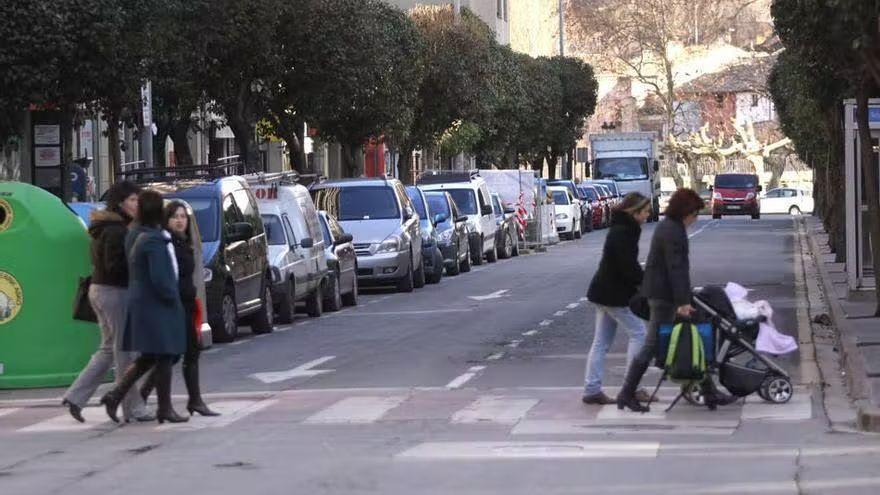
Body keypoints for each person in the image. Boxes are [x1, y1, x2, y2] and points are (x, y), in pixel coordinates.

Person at [616, 189, 733, 412]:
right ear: (685, 211)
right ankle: (626, 393)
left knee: (692, 337)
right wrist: (683, 301)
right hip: (664, 297)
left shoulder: (669, 227)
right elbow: (676, 268)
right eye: (695, 214)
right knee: (652, 346)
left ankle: (710, 392)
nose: (696, 219)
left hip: (664, 295)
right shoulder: (673, 231)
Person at [62, 181, 154, 423]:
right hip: (114, 292)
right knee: (126, 352)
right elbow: (116, 266)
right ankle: (133, 408)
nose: (138, 205)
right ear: (121, 202)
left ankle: (75, 396)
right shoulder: (117, 230)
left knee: (108, 349)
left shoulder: (108, 226)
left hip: (101, 290)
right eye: (133, 200)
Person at [100, 191, 189, 424]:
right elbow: (161, 278)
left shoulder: (135, 233)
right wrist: (172, 297)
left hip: (141, 301)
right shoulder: (154, 240)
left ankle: (115, 394)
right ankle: (165, 407)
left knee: (151, 356)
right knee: (166, 354)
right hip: (157, 304)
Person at [139, 201, 219, 417]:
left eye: (183, 216)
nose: (180, 220)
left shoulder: (184, 242)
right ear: (166, 220)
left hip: (187, 303)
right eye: (175, 216)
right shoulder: (166, 243)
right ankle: (153, 400)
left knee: (190, 352)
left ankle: (195, 400)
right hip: (173, 305)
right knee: (170, 355)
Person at [582, 193, 652, 405]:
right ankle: (633, 387)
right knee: (639, 334)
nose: (648, 216)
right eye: (646, 212)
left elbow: (626, 265)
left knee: (601, 342)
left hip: (605, 291)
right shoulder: (625, 231)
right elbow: (627, 266)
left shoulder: (622, 228)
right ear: (635, 211)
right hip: (614, 294)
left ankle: (592, 389)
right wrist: (644, 283)